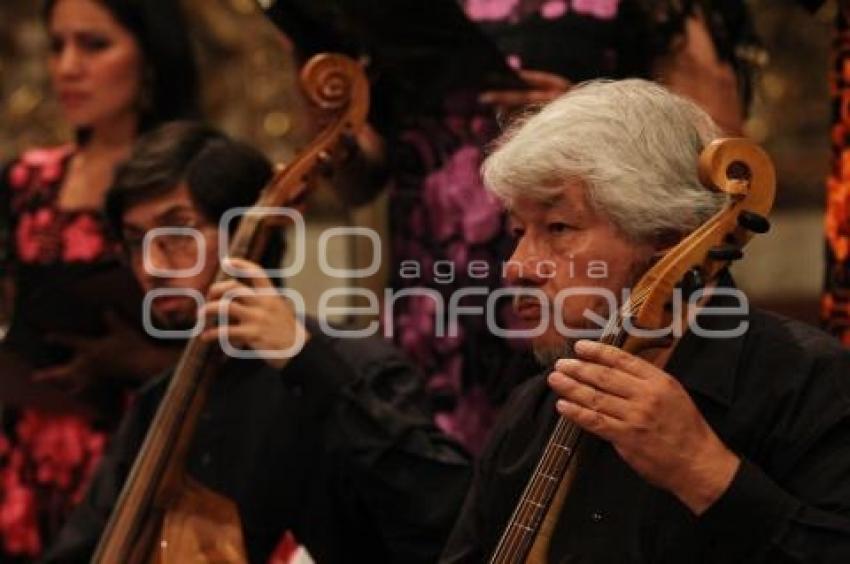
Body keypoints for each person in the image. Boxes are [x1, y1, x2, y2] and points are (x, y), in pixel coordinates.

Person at [440, 79, 850, 562]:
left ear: (667, 237)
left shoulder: (807, 381)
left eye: (557, 228)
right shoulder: (532, 410)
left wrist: (704, 470)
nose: (517, 265)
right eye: (517, 231)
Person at [42, 121, 472, 563]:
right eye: (136, 242)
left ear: (250, 233)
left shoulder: (354, 366)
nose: (151, 265)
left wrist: (303, 359)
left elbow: (440, 516)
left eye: (178, 233)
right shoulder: (159, 403)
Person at [0, 0, 198, 558]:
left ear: (150, 57)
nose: (67, 67)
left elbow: (248, 350)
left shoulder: (191, 182)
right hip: (24, 451)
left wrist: (141, 362)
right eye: (56, 45)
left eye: (93, 45)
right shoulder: (28, 178)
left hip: (136, 453)